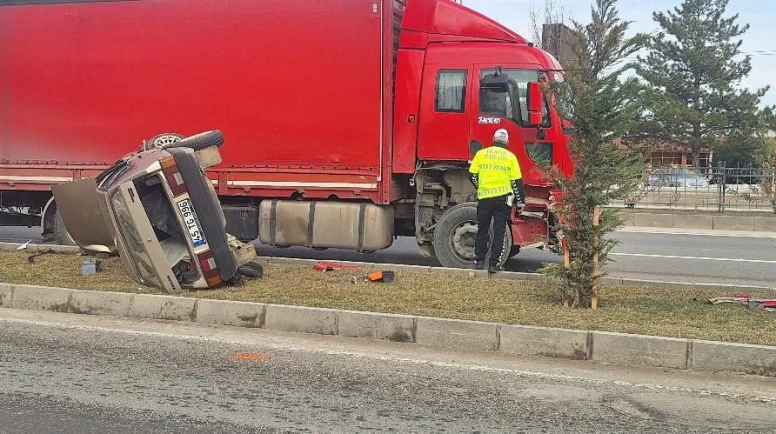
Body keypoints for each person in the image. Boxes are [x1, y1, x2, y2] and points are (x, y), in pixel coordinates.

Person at [468, 129, 525, 273]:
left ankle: (480, 261)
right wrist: (520, 203)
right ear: (507, 142)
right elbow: (516, 183)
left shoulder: (481, 154)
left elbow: (472, 176)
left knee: (482, 229)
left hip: (485, 198)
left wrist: (480, 187)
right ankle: (494, 264)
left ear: (493, 138)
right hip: (503, 200)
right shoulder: (511, 157)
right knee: (499, 230)